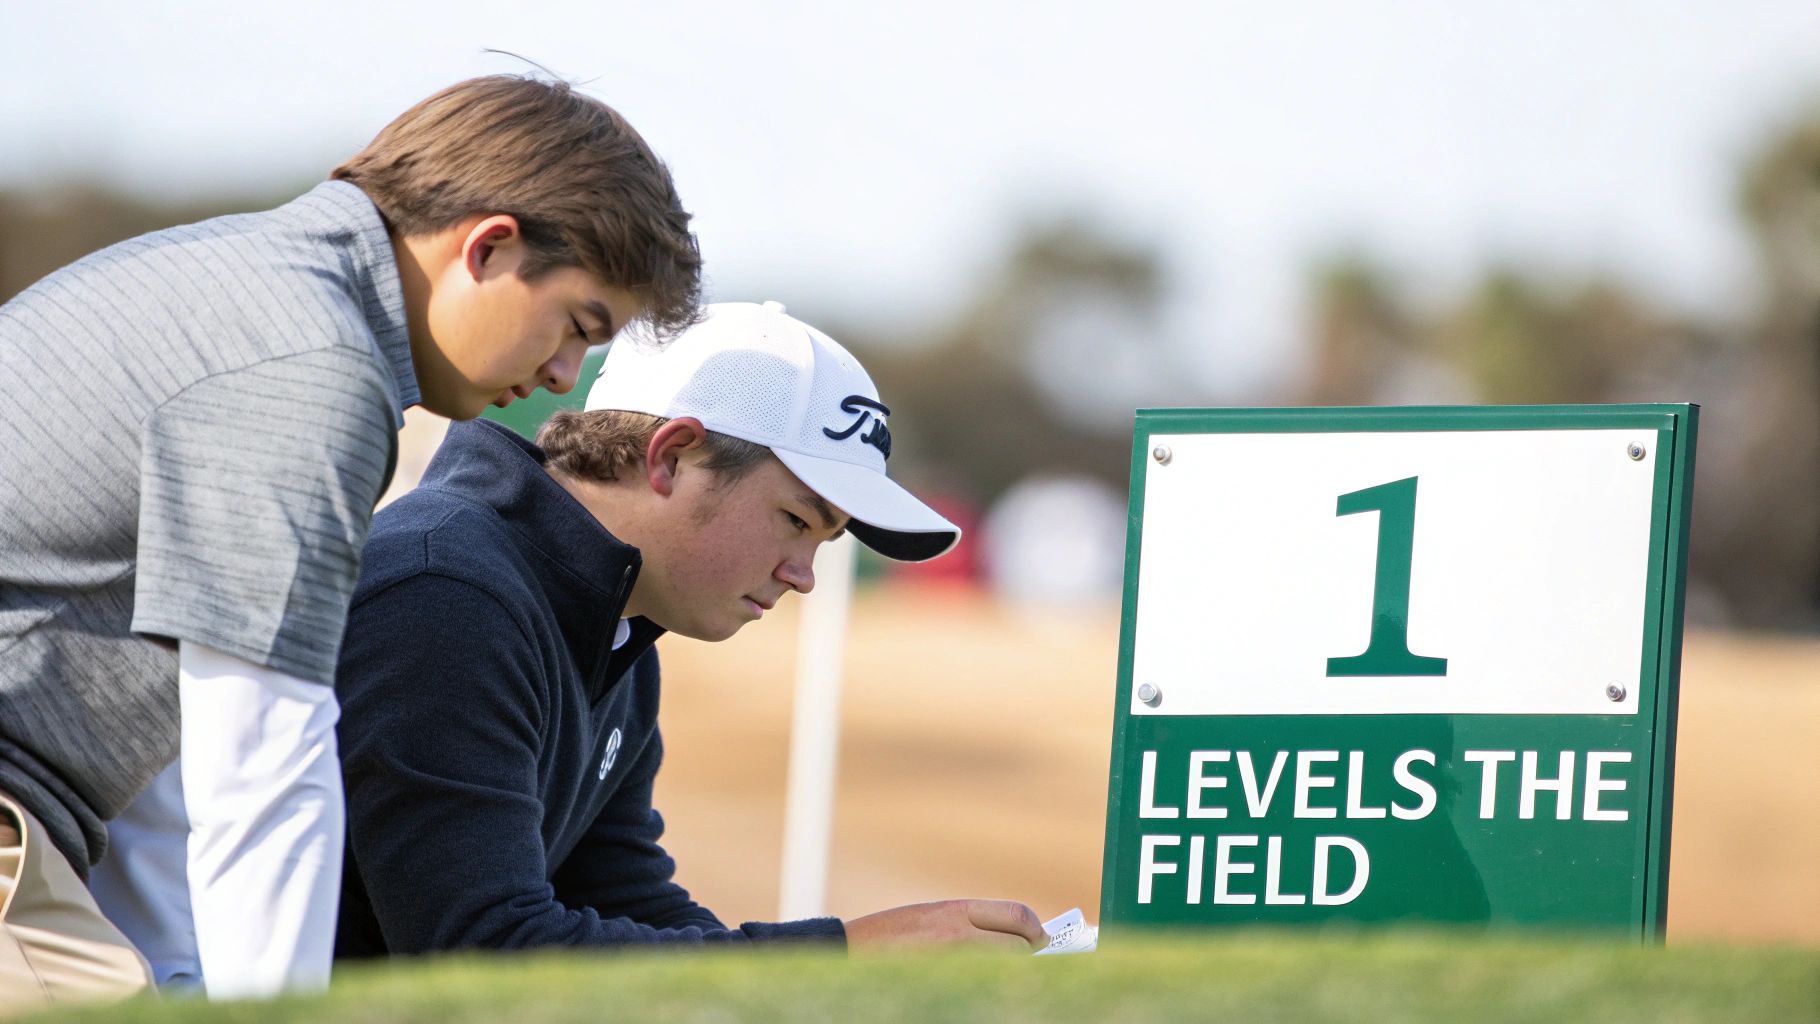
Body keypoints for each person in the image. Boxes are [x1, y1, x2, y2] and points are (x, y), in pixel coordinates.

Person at [0, 74, 701, 1008]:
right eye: (577, 326)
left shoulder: (241, 276)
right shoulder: (315, 372)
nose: (566, 373)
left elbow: (184, 729)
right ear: (488, 248)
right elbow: (261, 762)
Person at [330, 301, 1045, 957]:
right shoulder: (447, 594)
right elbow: (481, 948)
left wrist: (830, 987)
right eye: (796, 521)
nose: (803, 574)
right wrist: (842, 952)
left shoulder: (614, 619)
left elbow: (619, 892)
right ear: (670, 455)